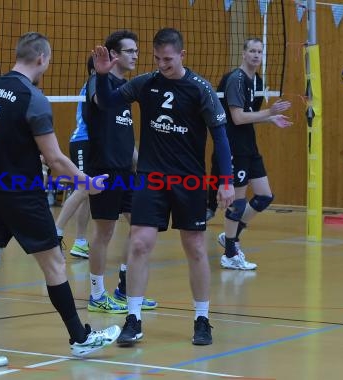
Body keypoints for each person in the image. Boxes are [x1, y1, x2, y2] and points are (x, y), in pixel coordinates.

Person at [0, 32, 120, 369]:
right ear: (43, 59)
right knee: (55, 264)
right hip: (22, 194)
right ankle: (81, 338)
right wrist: (87, 182)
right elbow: (55, 159)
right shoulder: (33, 98)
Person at [92, 27, 235, 346]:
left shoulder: (201, 89)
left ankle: (202, 319)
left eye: (167, 59)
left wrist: (225, 181)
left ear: (182, 55)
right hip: (151, 177)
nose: (161, 64)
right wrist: (103, 76)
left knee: (196, 247)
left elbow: (221, 137)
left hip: (190, 179)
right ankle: (133, 318)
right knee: (139, 243)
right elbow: (106, 103)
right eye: (157, 58)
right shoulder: (146, 82)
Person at [84, 30, 157, 314]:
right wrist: (102, 76)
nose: (136, 55)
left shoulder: (125, 90)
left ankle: (125, 289)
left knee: (140, 226)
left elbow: (124, 134)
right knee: (104, 232)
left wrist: (141, 165)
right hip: (103, 168)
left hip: (126, 171)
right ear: (113, 55)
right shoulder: (97, 82)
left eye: (137, 50)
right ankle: (97, 295)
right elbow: (101, 102)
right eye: (129, 51)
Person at [217, 38, 292, 271]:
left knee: (264, 196)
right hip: (234, 147)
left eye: (260, 52)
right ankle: (230, 252)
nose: (256, 55)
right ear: (243, 53)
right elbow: (237, 118)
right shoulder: (235, 80)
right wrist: (269, 111)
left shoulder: (257, 80)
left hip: (249, 145)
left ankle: (232, 234)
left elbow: (250, 115)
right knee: (237, 201)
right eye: (252, 51)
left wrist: (270, 118)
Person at [55, 56, 95, 259]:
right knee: (84, 187)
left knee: (88, 192)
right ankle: (55, 233)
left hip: (93, 144)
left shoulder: (102, 85)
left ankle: (80, 242)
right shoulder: (93, 84)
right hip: (83, 141)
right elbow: (90, 119)